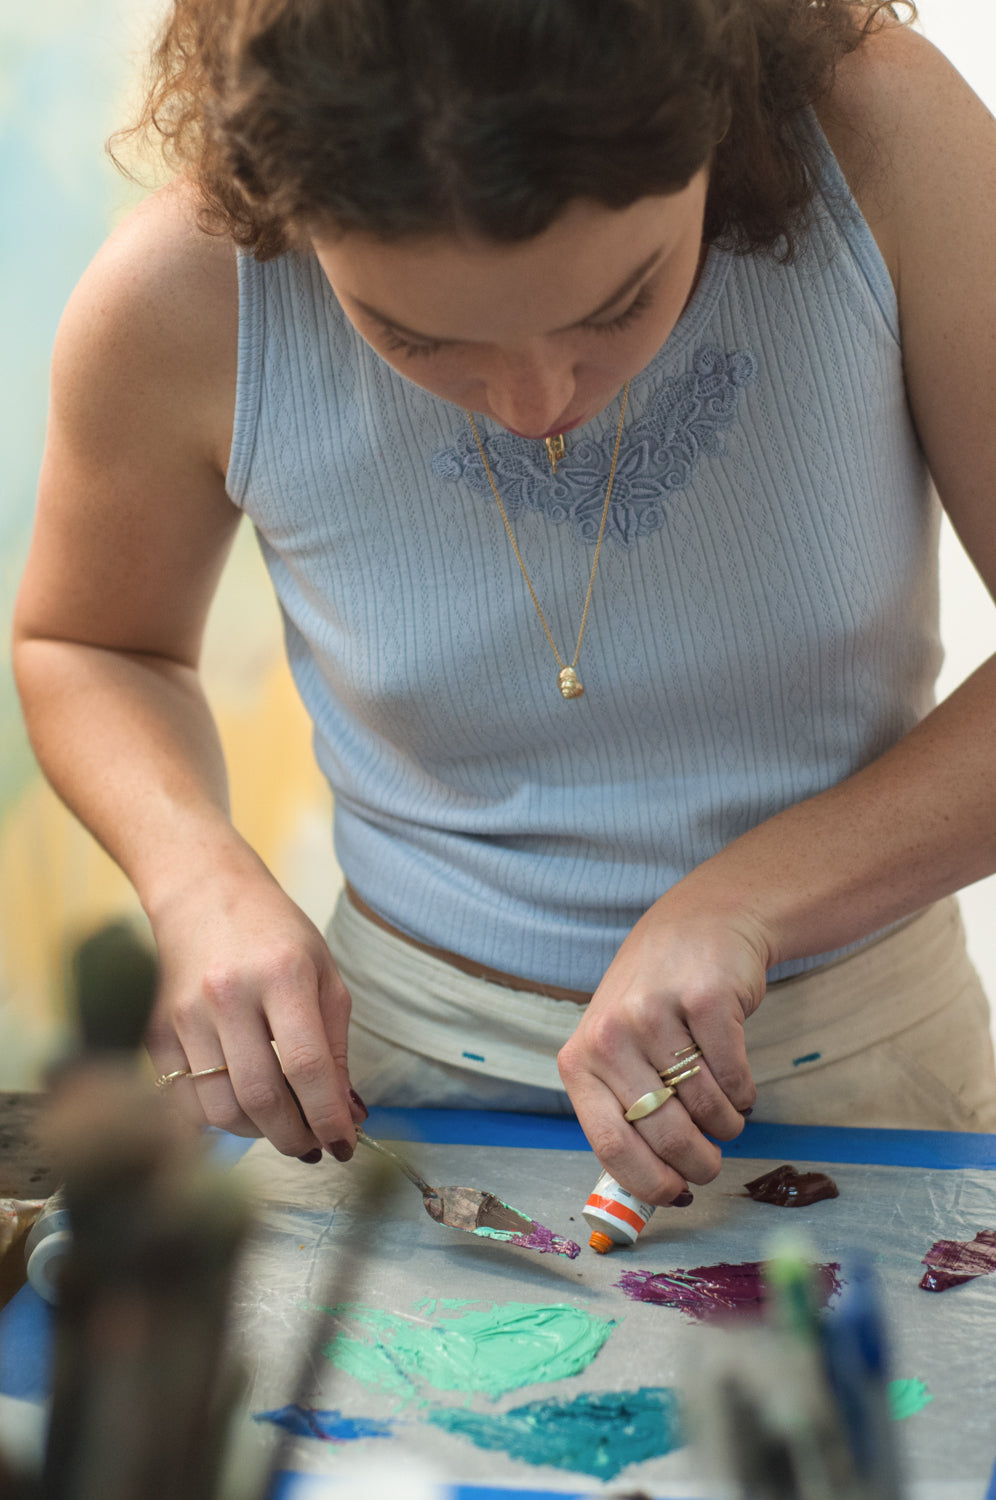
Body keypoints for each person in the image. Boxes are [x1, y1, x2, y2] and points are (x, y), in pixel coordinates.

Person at [12, 0, 996, 1213]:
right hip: (393, 1098)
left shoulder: (886, 141)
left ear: (722, 102)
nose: (535, 407)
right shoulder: (178, 295)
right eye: (415, 336)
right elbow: (87, 642)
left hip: (870, 1079)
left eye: (620, 303)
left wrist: (748, 905)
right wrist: (194, 876)